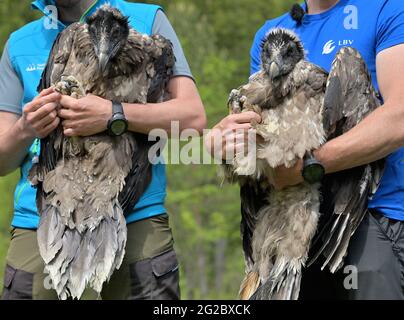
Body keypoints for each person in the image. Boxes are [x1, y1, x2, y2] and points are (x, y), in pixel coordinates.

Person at [0, 0, 206, 300]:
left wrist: (114, 115)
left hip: (135, 219)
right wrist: (26, 128)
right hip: (42, 223)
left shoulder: (148, 20)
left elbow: (192, 119)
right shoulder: (19, 43)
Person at [207, 0, 404, 300]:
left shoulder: (387, 9)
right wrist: (221, 144)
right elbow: (261, 130)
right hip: (289, 223)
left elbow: (400, 117)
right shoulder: (272, 33)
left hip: (369, 216)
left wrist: (309, 166)